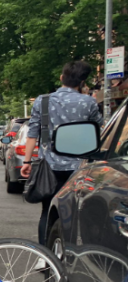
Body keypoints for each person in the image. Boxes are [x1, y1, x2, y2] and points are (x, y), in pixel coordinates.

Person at [20, 60, 103, 244]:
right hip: (78, 168)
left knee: (47, 211)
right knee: (73, 213)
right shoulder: (88, 102)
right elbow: (98, 129)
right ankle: (69, 252)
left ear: (61, 78)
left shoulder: (43, 101)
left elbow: (32, 133)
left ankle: (44, 255)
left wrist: (26, 162)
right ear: (82, 82)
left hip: (49, 167)